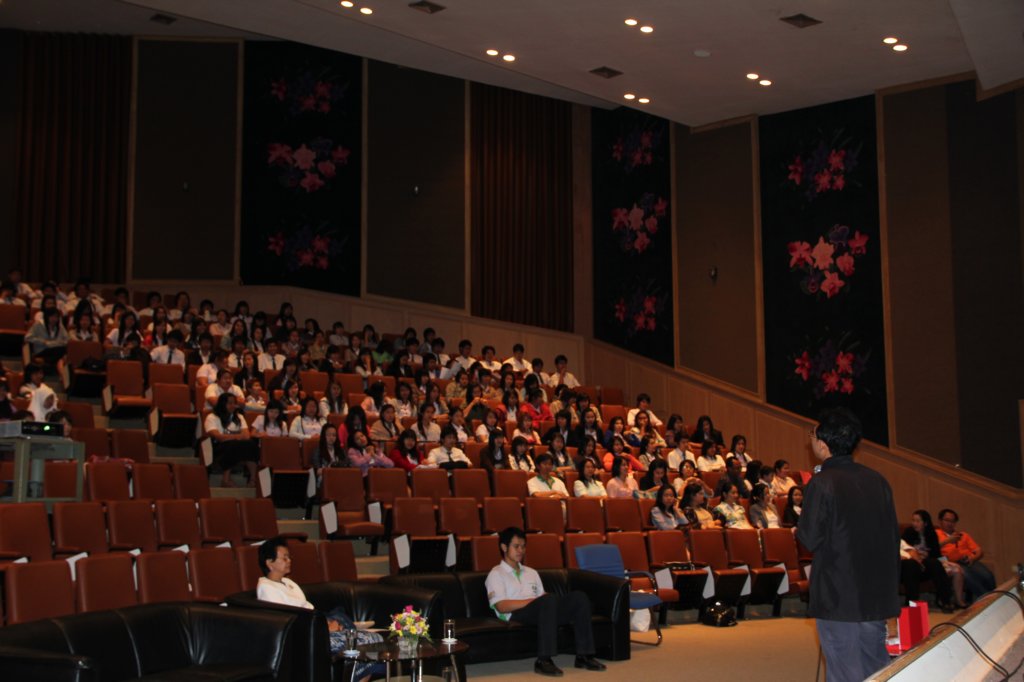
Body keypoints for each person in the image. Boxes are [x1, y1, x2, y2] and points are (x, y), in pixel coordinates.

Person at [797, 408, 900, 682]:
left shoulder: (822, 483)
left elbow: (808, 538)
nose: (811, 440)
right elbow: (892, 539)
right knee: (875, 669)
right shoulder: (878, 480)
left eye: (813, 435)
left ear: (823, 444)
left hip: (838, 594)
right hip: (875, 595)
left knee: (844, 671)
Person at [256, 537, 383, 682]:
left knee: (376, 639)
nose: (289, 560)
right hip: (305, 638)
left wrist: (326, 624)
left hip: (316, 629)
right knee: (367, 641)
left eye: (289, 557)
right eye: (284, 558)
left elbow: (309, 610)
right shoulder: (266, 588)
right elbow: (287, 621)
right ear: (269, 563)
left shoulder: (288, 582)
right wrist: (323, 628)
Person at [486, 527, 605, 676]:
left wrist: (550, 601)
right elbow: (501, 606)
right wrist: (536, 601)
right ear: (504, 547)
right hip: (515, 614)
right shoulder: (496, 574)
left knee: (579, 598)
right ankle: (543, 661)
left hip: (541, 609)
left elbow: (543, 597)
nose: (521, 550)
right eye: (516, 546)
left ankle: (584, 656)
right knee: (547, 601)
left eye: (523, 546)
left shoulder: (531, 572)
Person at [935, 508, 996, 603]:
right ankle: (988, 600)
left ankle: (996, 597)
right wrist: (948, 540)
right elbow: (932, 548)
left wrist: (973, 558)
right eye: (947, 520)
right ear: (940, 521)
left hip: (969, 560)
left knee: (987, 575)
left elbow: (979, 551)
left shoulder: (963, 535)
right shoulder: (935, 534)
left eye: (953, 521)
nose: (950, 523)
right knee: (969, 577)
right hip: (952, 563)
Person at [901, 509, 957, 612]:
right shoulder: (908, 532)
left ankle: (946, 601)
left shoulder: (931, 534)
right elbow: (903, 550)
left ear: (925, 523)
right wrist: (916, 555)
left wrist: (927, 556)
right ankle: (911, 603)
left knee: (934, 563)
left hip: (925, 566)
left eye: (918, 521)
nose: (914, 524)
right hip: (910, 566)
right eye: (913, 520)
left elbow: (936, 554)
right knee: (911, 564)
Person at [204, 393, 259, 487]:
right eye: (230, 403)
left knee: (251, 444)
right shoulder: (212, 417)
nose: (233, 406)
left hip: (237, 445)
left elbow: (246, 435)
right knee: (233, 445)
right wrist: (238, 436)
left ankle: (253, 479)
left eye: (234, 403)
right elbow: (218, 437)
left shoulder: (239, 417)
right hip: (217, 446)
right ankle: (226, 479)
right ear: (222, 404)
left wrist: (230, 436)